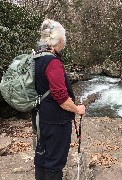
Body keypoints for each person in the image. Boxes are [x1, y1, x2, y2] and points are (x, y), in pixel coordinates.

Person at [31, 19, 85, 180]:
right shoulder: (53, 63)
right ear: (59, 40)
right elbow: (61, 97)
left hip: (39, 116)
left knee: (41, 156)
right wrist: (77, 109)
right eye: (63, 39)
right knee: (54, 162)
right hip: (55, 122)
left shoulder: (36, 58)